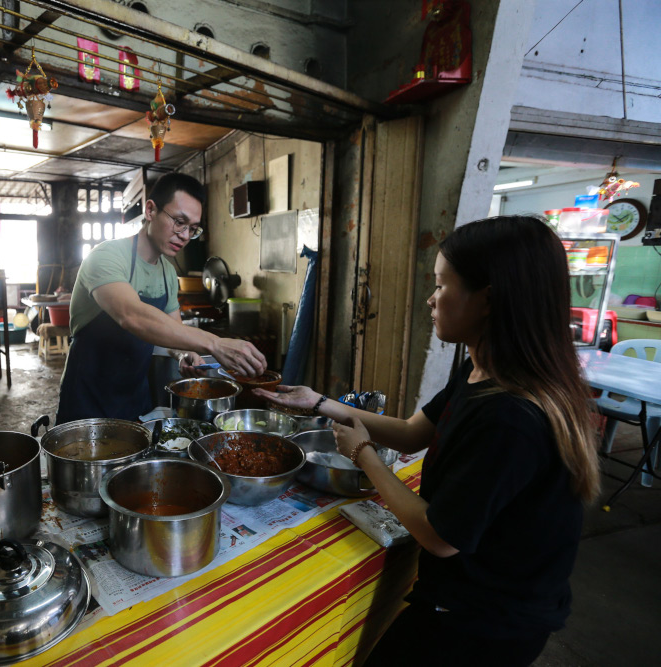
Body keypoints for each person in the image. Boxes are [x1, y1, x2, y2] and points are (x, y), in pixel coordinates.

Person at [255, 215, 600, 667]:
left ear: (488, 300)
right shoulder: (483, 370)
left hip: (485, 623)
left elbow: (440, 536)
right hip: (466, 599)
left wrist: (363, 454)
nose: (431, 300)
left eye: (441, 286)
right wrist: (320, 402)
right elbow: (414, 432)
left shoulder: (510, 416)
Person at [55, 173, 266, 424]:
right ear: (151, 210)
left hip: (135, 401)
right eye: (179, 222)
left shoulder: (167, 272)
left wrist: (183, 354)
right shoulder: (106, 257)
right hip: (87, 402)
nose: (185, 235)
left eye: (192, 229)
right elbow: (132, 316)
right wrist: (215, 344)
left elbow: (173, 332)